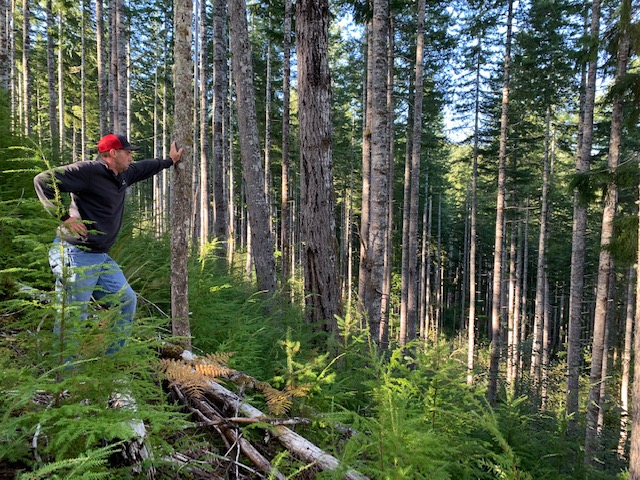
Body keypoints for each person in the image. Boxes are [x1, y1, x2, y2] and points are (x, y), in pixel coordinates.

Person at [34, 133, 184, 356]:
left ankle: (110, 365)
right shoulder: (88, 171)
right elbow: (42, 180)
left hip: (99, 255)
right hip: (75, 253)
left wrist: (169, 161)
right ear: (113, 153)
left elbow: (146, 167)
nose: (131, 157)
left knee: (125, 301)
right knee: (73, 315)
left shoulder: (122, 175)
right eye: (127, 152)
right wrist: (65, 217)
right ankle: (65, 378)